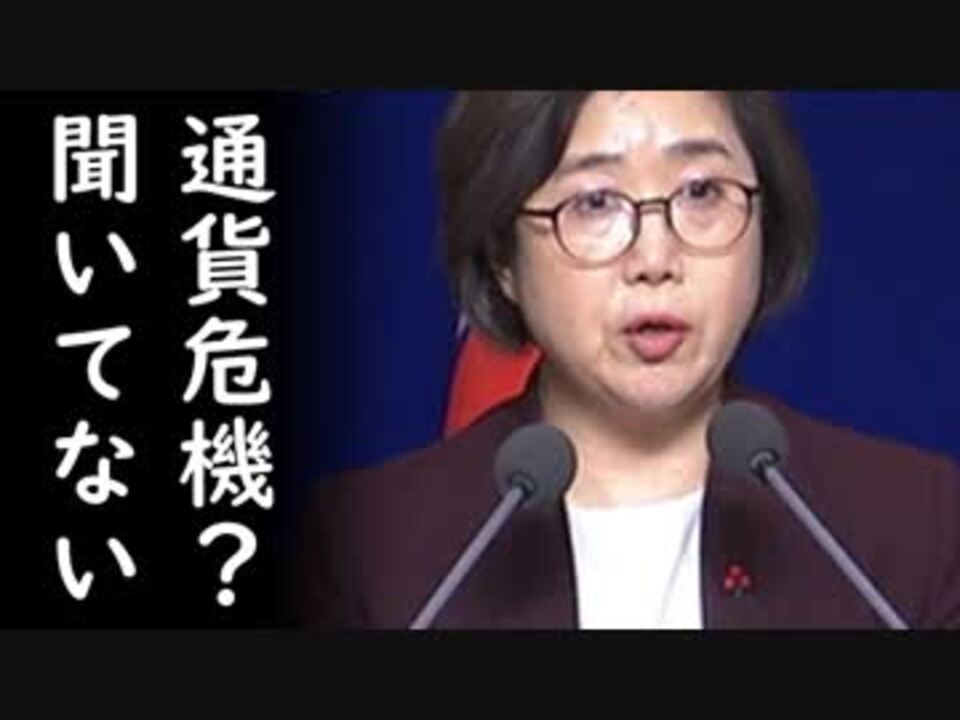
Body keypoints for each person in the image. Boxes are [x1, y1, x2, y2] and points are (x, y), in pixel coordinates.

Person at [289, 91, 960, 630]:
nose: (655, 259)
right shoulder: (366, 548)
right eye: (594, 203)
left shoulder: (913, 525)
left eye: (702, 192)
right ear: (502, 259)